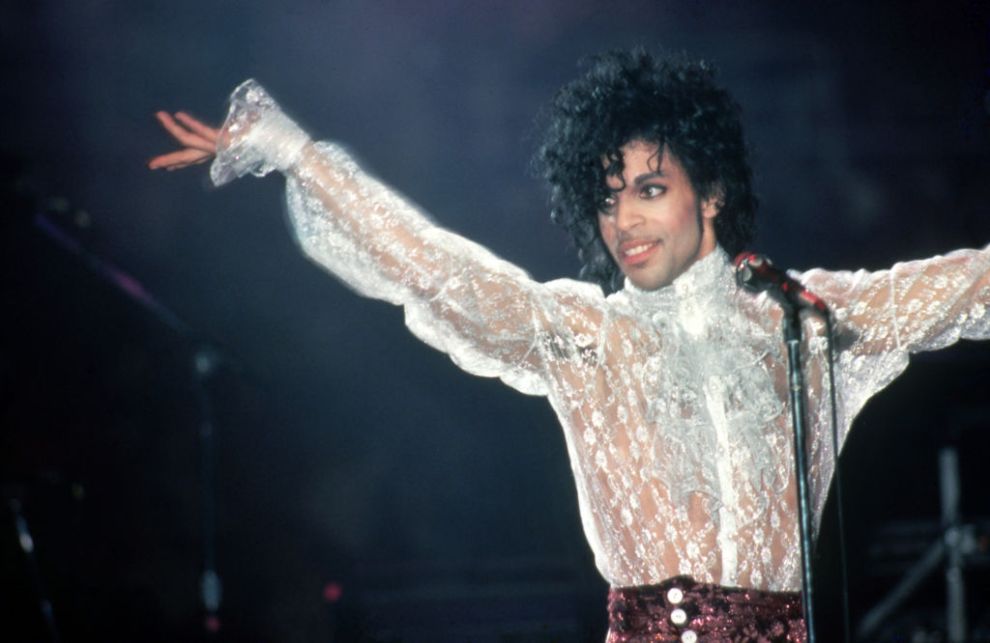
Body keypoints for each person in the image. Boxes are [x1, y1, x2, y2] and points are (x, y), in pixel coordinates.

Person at [149, 49, 990, 641]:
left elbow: (965, 287)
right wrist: (295, 154)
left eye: (651, 190)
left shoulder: (801, 316)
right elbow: (431, 269)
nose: (624, 219)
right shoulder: (586, 335)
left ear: (715, 190)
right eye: (607, 198)